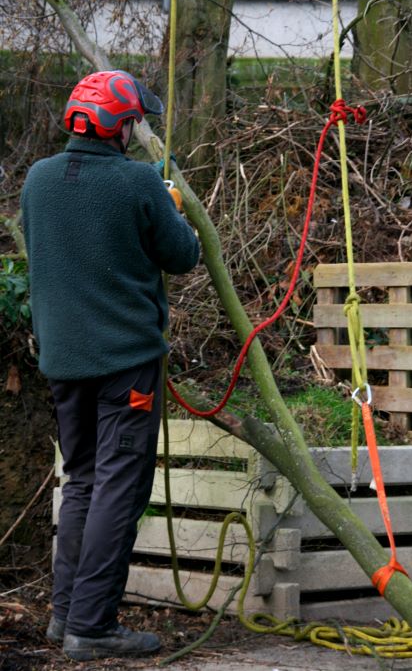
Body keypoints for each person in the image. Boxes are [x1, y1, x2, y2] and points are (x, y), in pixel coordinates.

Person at [21, 70, 199, 661]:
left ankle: (65, 615)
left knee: (83, 479)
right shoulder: (137, 181)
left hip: (62, 359)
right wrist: (171, 207)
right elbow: (183, 255)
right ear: (119, 126)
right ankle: (92, 626)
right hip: (124, 362)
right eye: (132, 123)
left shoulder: (38, 179)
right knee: (119, 487)